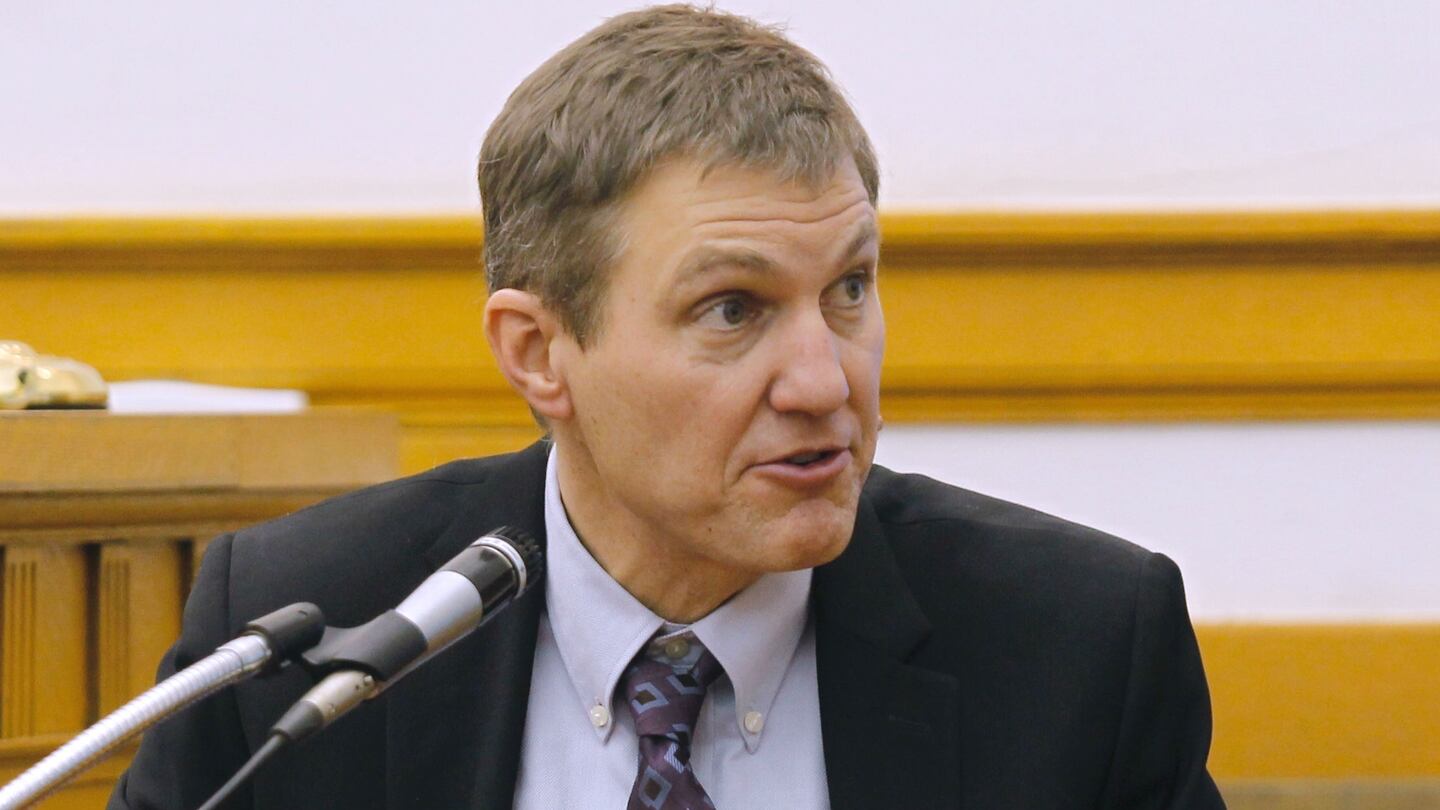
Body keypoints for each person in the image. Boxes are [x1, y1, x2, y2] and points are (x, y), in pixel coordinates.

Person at [109, 5, 1225, 809]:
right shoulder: (307, 639)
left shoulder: (1076, 648)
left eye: (849, 289)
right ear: (539, 353)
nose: (824, 382)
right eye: (733, 309)